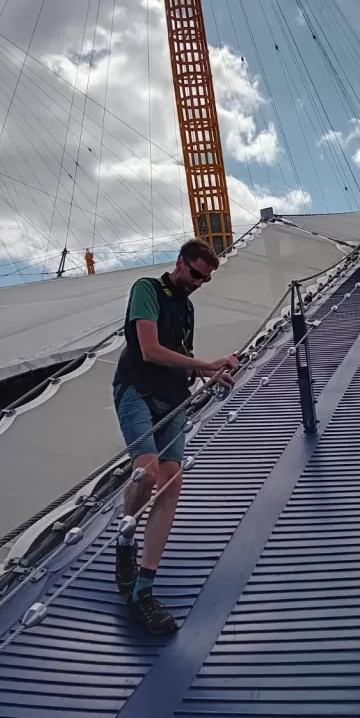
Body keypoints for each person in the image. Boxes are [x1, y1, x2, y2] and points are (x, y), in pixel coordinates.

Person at [113, 239, 239, 635]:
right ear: (181, 263)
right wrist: (206, 363)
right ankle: (125, 534)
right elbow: (149, 350)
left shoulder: (186, 307)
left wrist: (209, 373)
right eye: (197, 273)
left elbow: (180, 356)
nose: (201, 282)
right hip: (137, 392)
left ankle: (144, 589)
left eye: (207, 278)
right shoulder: (147, 290)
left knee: (171, 481)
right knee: (147, 475)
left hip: (173, 400)